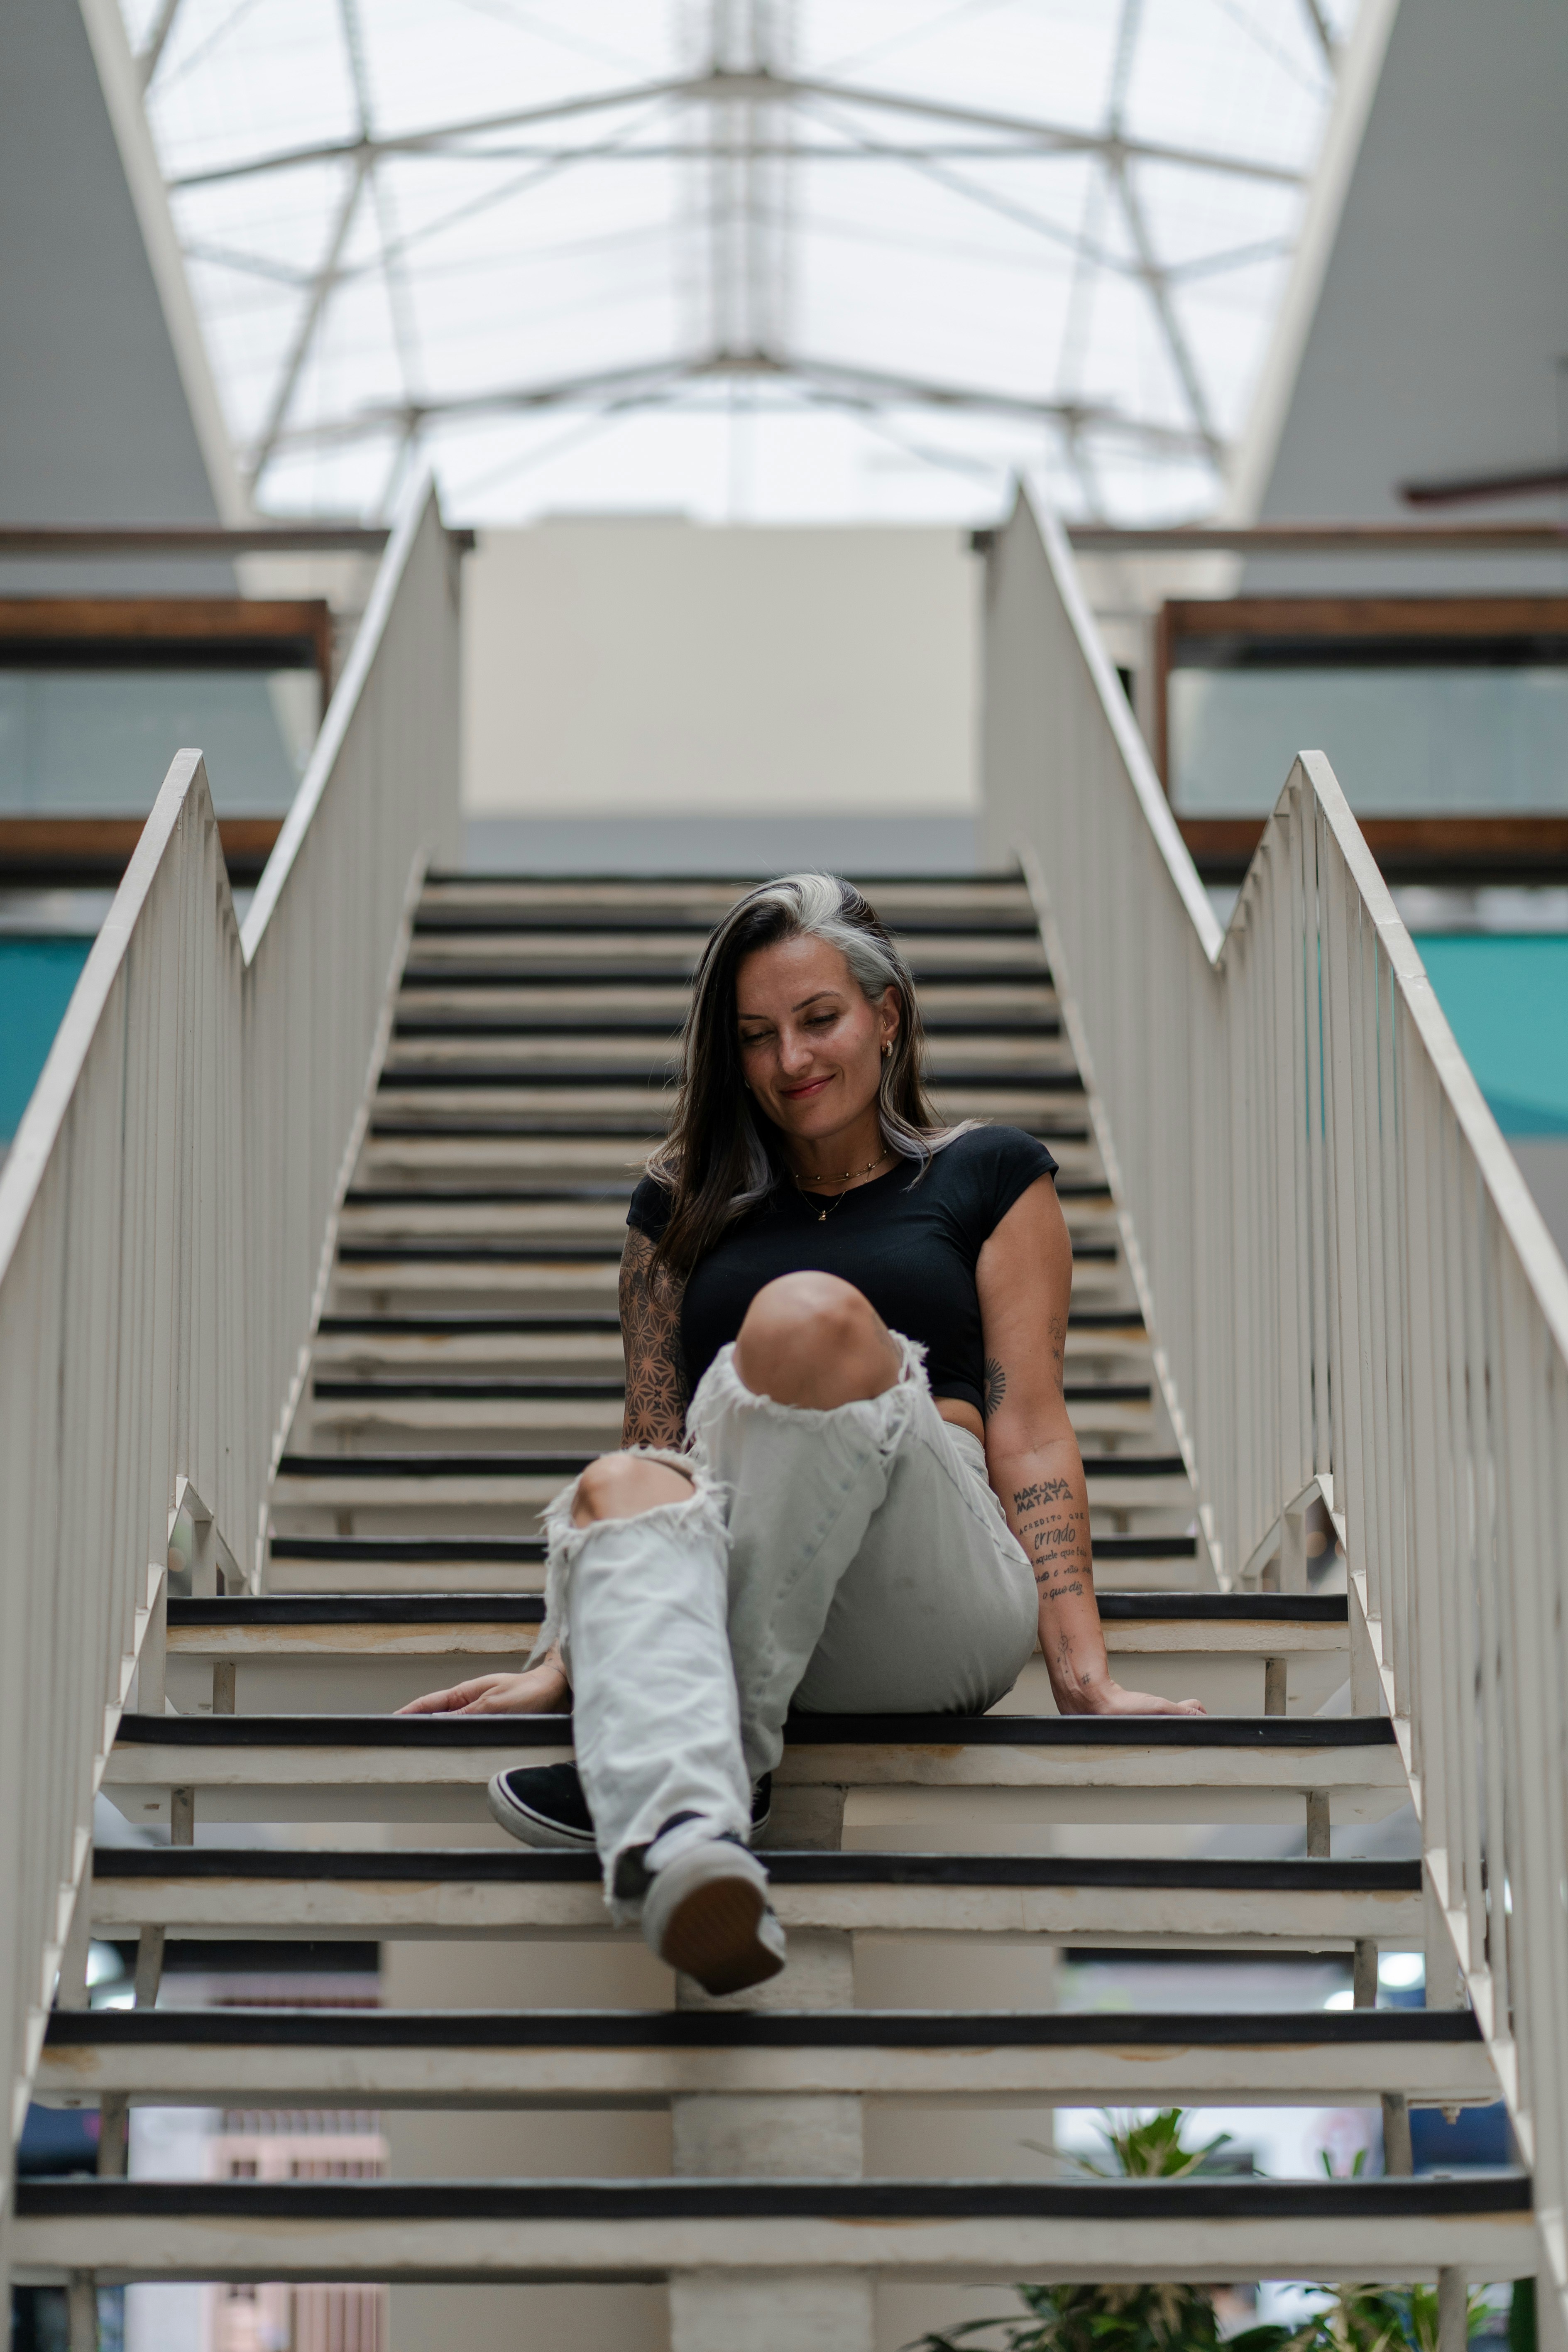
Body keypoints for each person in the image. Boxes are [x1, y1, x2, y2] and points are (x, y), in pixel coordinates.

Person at [400, 873, 1201, 1995]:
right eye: (755, 1037)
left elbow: (1026, 1424)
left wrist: (1083, 1672)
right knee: (616, 1478)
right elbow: (662, 1455)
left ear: (887, 1014)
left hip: (935, 1587)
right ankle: (689, 1834)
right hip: (750, 1572)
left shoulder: (987, 1174)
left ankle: (699, 1761)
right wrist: (572, 1656)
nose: (790, 1061)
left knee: (808, 1315)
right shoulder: (675, 1208)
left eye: (818, 1019)